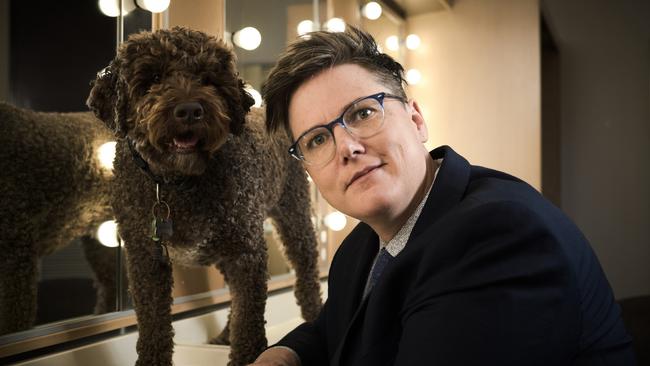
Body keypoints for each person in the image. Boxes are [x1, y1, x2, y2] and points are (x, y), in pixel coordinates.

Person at [250, 27, 636, 366]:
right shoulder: (361, 247)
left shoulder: (497, 235)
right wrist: (286, 354)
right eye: (317, 139)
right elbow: (337, 330)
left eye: (363, 113)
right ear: (307, 167)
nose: (346, 147)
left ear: (416, 120)